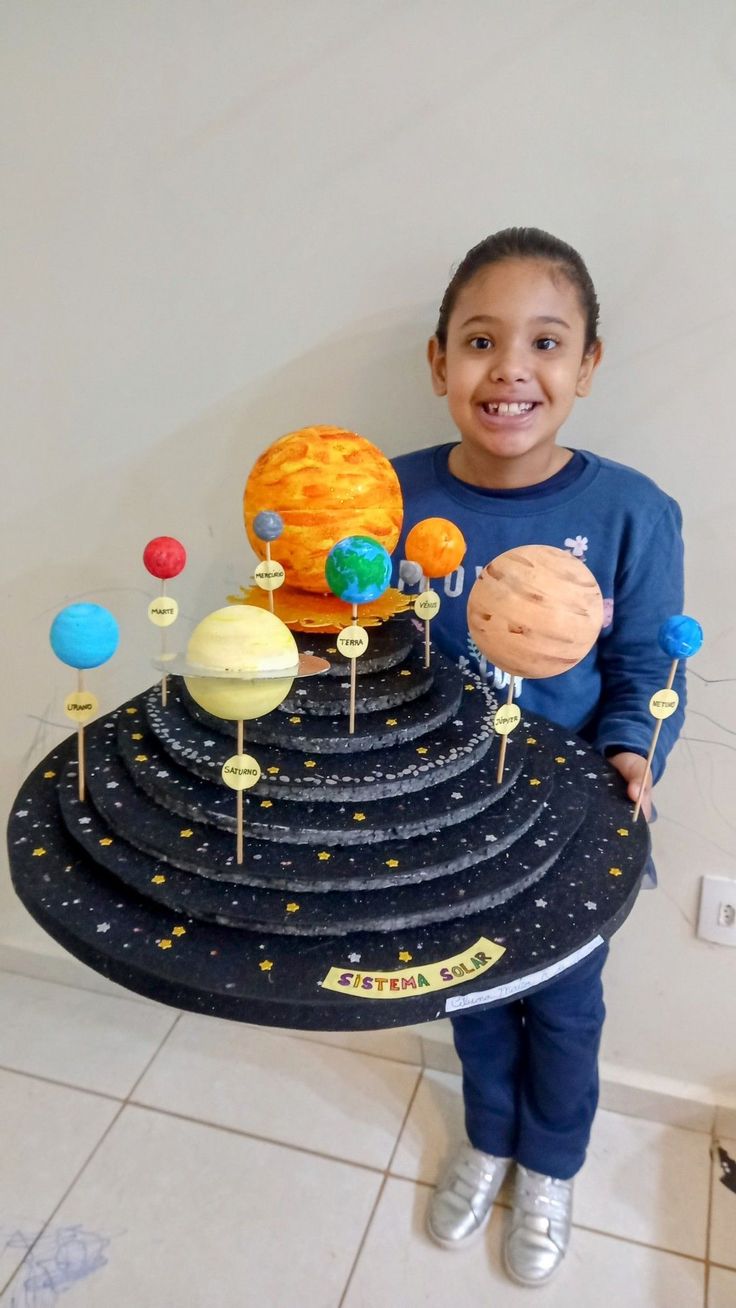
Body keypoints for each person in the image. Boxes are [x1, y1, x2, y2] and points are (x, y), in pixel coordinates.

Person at [391, 227, 685, 1286]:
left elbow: (651, 660)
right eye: (479, 340)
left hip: (571, 832)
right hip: (442, 827)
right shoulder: (391, 495)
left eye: (546, 342)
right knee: (471, 997)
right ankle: (487, 1140)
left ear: (586, 367)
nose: (511, 367)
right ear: (438, 363)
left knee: (564, 1007)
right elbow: (365, 646)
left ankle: (551, 1163)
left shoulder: (629, 513)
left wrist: (629, 753)